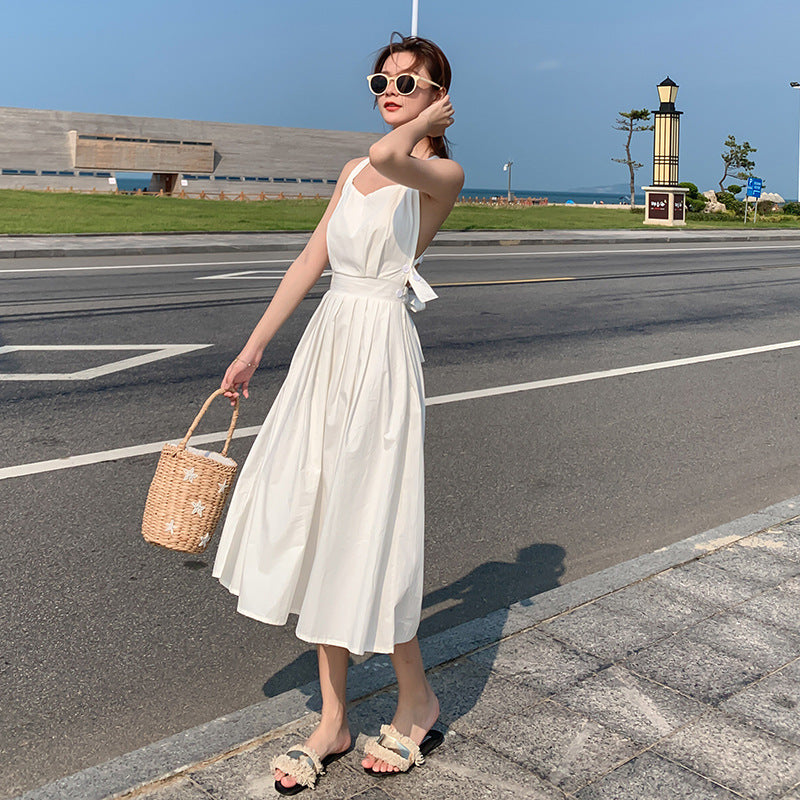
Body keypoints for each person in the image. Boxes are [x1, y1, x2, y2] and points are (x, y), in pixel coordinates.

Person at [212, 32, 464, 795]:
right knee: (318, 517)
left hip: (382, 348)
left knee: (372, 525)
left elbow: (394, 160)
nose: (389, 90)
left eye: (408, 83)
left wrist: (421, 128)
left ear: (437, 99)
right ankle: (332, 721)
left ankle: (416, 701)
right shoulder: (354, 168)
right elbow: (309, 259)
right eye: (380, 81)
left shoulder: (439, 171)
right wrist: (254, 347)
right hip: (329, 345)